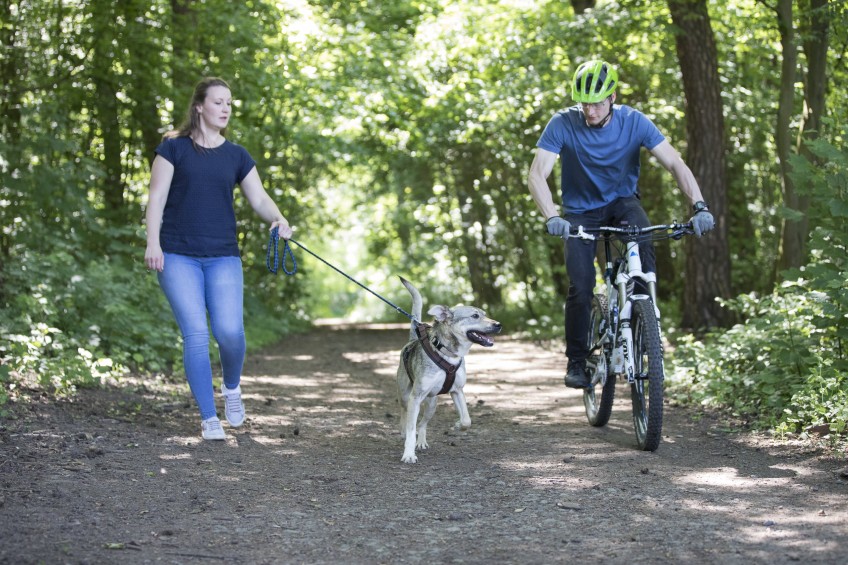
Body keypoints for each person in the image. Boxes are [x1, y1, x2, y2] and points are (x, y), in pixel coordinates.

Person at [527, 60, 714, 389]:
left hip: (621, 203)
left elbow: (674, 163)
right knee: (581, 286)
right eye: (584, 102)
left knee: (643, 238)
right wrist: (552, 216)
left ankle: (643, 328)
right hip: (580, 212)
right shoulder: (562, 123)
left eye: (597, 102)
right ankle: (576, 360)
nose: (590, 110)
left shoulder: (634, 122)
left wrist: (699, 205)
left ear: (612, 97)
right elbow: (537, 173)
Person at [144, 77, 294, 440]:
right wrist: (153, 243)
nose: (226, 109)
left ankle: (231, 388)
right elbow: (156, 198)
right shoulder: (173, 149)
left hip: (223, 256)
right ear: (199, 107)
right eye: (218, 102)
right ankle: (209, 418)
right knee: (195, 334)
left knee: (230, 332)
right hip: (177, 255)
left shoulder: (237, 155)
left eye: (229, 103)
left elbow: (258, 198)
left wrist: (279, 218)